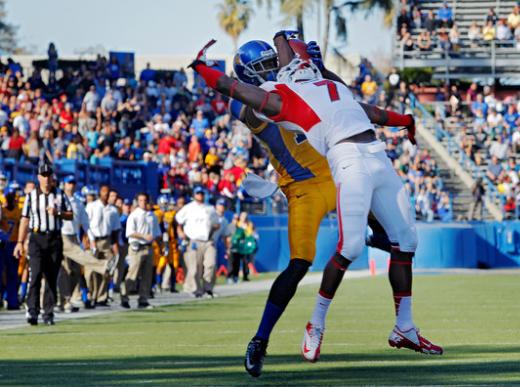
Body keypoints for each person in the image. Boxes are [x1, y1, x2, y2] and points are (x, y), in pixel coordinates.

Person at [206, 37, 418, 377]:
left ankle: (364, 237)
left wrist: (318, 69)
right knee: (298, 264)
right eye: (262, 66)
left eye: (272, 62)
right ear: (247, 73)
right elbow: (249, 103)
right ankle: (260, 340)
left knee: (392, 234)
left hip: (334, 169)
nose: (272, 68)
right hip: (301, 187)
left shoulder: (298, 84)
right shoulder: (259, 99)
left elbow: (343, 98)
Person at [13, 161, 73, 325]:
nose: (46, 179)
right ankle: (32, 311)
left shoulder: (60, 194)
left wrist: (58, 213)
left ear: (52, 177)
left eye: (49, 175)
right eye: (43, 176)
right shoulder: (31, 196)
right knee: (36, 274)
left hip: (54, 238)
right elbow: (24, 220)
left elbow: (70, 215)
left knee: (51, 277)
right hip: (36, 238)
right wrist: (20, 242)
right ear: (39, 177)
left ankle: (48, 313)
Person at [59, 175, 117, 313]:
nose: (71, 186)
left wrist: (90, 239)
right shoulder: (58, 199)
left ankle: (65, 300)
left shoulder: (78, 203)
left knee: (74, 271)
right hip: (61, 236)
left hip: (74, 236)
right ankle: (103, 266)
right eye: (68, 183)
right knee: (68, 267)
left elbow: (85, 223)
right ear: (64, 185)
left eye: (73, 183)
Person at [175, 187, 220, 298]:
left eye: (202, 193)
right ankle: (196, 290)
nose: (200, 195)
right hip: (193, 240)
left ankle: (208, 288)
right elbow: (178, 221)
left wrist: (213, 228)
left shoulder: (210, 208)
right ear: (194, 195)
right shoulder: (188, 208)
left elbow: (217, 223)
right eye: (198, 193)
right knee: (195, 268)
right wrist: (180, 232)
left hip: (208, 240)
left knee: (211, 264)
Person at [122, 192, 161, 309]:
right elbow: (129, 233)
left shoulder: (152, 216)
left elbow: (157, 233)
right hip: (136, 247)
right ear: (137, 202)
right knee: (133, 274)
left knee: (147, 275)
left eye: (145, 200)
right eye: (141, 200)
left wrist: (162, 245)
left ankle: (143, 299)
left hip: (148, 247)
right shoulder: (134, 215)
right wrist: (143, 236)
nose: (143, 203)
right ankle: (124, 296)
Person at [85, 185, 117, 308]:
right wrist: (90, 240)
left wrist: (115, 245)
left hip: (106, 240)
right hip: (93, 239)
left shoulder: (112, 210)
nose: (106, 195)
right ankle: (89, 295)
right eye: (104, 192)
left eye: (108, 192)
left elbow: (115, 229)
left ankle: (101, 297)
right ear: (99, 193)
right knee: (90, 271)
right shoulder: (92, 206)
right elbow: (86, 224)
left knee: (106, 271)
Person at [0, 184, 21, 310]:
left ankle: (12, 300)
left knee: (13, 274)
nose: (10, 199)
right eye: (8, 196)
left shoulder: (19, 211)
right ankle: (3, 297)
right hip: (3, 244)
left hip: (13, 244)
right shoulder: (2, 210)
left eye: (12, 196)